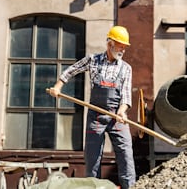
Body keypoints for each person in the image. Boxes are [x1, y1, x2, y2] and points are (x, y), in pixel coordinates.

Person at [48, 26, 136, 189]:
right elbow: (71, 71)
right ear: (110, 43)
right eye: (120, 45)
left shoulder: (126, 68)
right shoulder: (92, 60)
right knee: (92, 158)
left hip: (117, 117)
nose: (123, 49)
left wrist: (122, 111)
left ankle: (129, 187)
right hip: (96, 116)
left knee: (126, 157)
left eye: (125, 46)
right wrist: (57, 87)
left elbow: (126, 95)